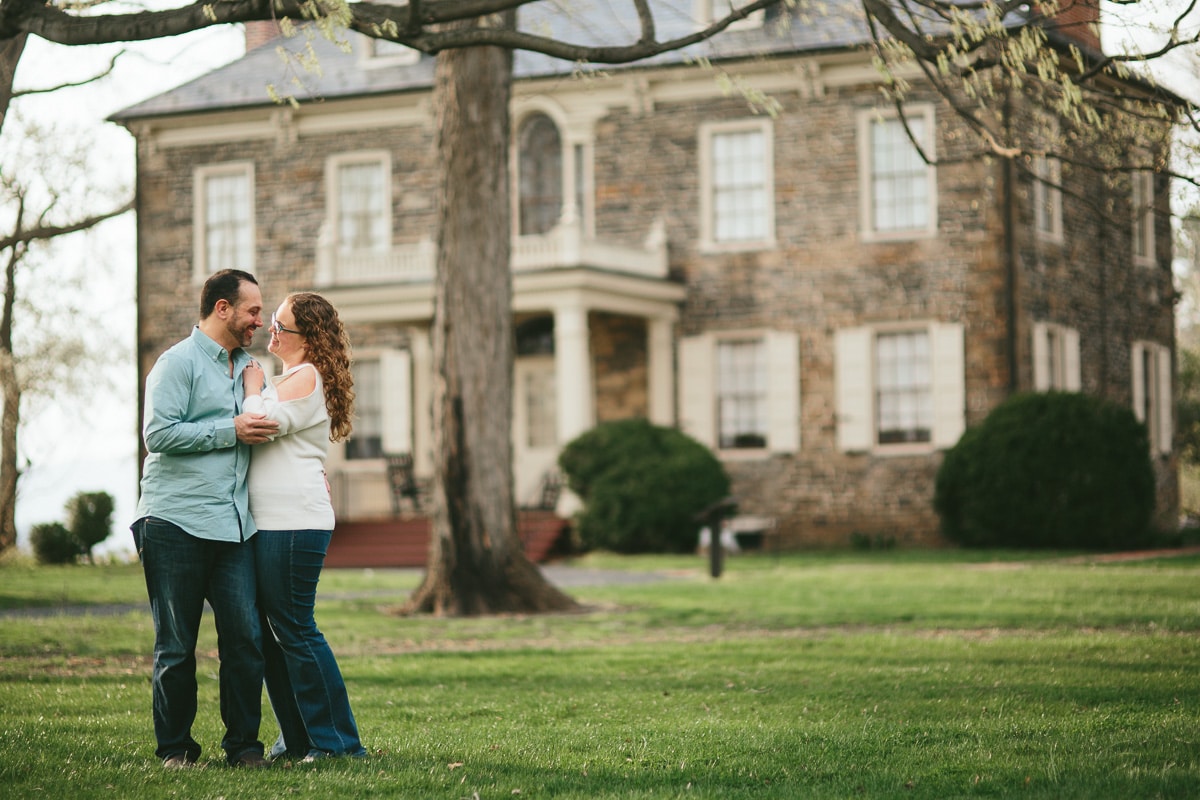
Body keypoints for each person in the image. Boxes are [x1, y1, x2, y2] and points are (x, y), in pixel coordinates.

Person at [130, 268, 280, 769]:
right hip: (175, 523)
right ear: (223, 309)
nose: (260, 320)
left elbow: (264, 432)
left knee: (246, 640)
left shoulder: (250, 368)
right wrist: (229, 429)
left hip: (235, 527)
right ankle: (176, 749)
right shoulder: (177, 363)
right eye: (253, 311)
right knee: (177, 646)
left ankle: (243, 748)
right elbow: (159, 435)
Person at [242, 292, 367, 763]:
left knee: (296, 629)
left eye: (280, 325)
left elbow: (260, 423)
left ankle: (337, 743)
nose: (271, 331)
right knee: (274, 634)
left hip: (293, 521)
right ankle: (296, 738)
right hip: (270, 521)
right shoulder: (291, 376)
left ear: (308, 337)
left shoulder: (307, 374)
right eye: (272, 322)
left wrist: (254, 385)